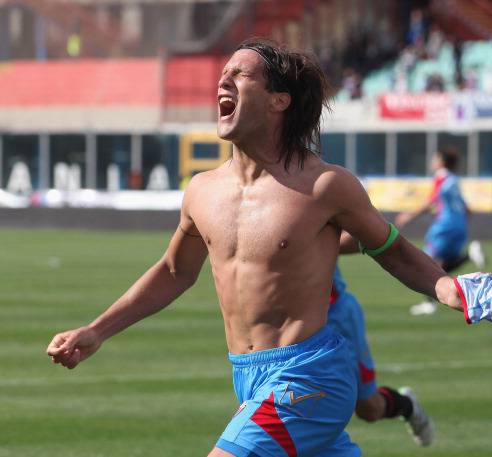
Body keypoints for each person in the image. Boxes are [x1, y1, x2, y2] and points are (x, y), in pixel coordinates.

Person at [46, 39, 463, 457]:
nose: (223, 80)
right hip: (248, 377)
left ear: (278, 100)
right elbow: (175, 271)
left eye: (240, 74)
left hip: (310, 373)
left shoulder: (325, 185)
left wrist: (446, 287)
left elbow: (393, 250)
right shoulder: (202, 191)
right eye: (223, 73)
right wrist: (97, 330)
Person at [327, 256, 433, 446]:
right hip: (278, 325)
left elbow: (356, 239)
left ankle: (407, 405)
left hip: (333, 318)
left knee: (369, 408)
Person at [396, 147, 486, 316]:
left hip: (445, 225)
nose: (432, 161)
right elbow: (465, 208)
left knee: (425, 262)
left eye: (435, 158)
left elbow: (431, 201)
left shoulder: (441, 176)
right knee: (442, 265)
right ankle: (469, 256)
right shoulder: (454, 179)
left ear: (441, 161)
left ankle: (428, 303)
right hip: (459, 225)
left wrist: (409, 216)